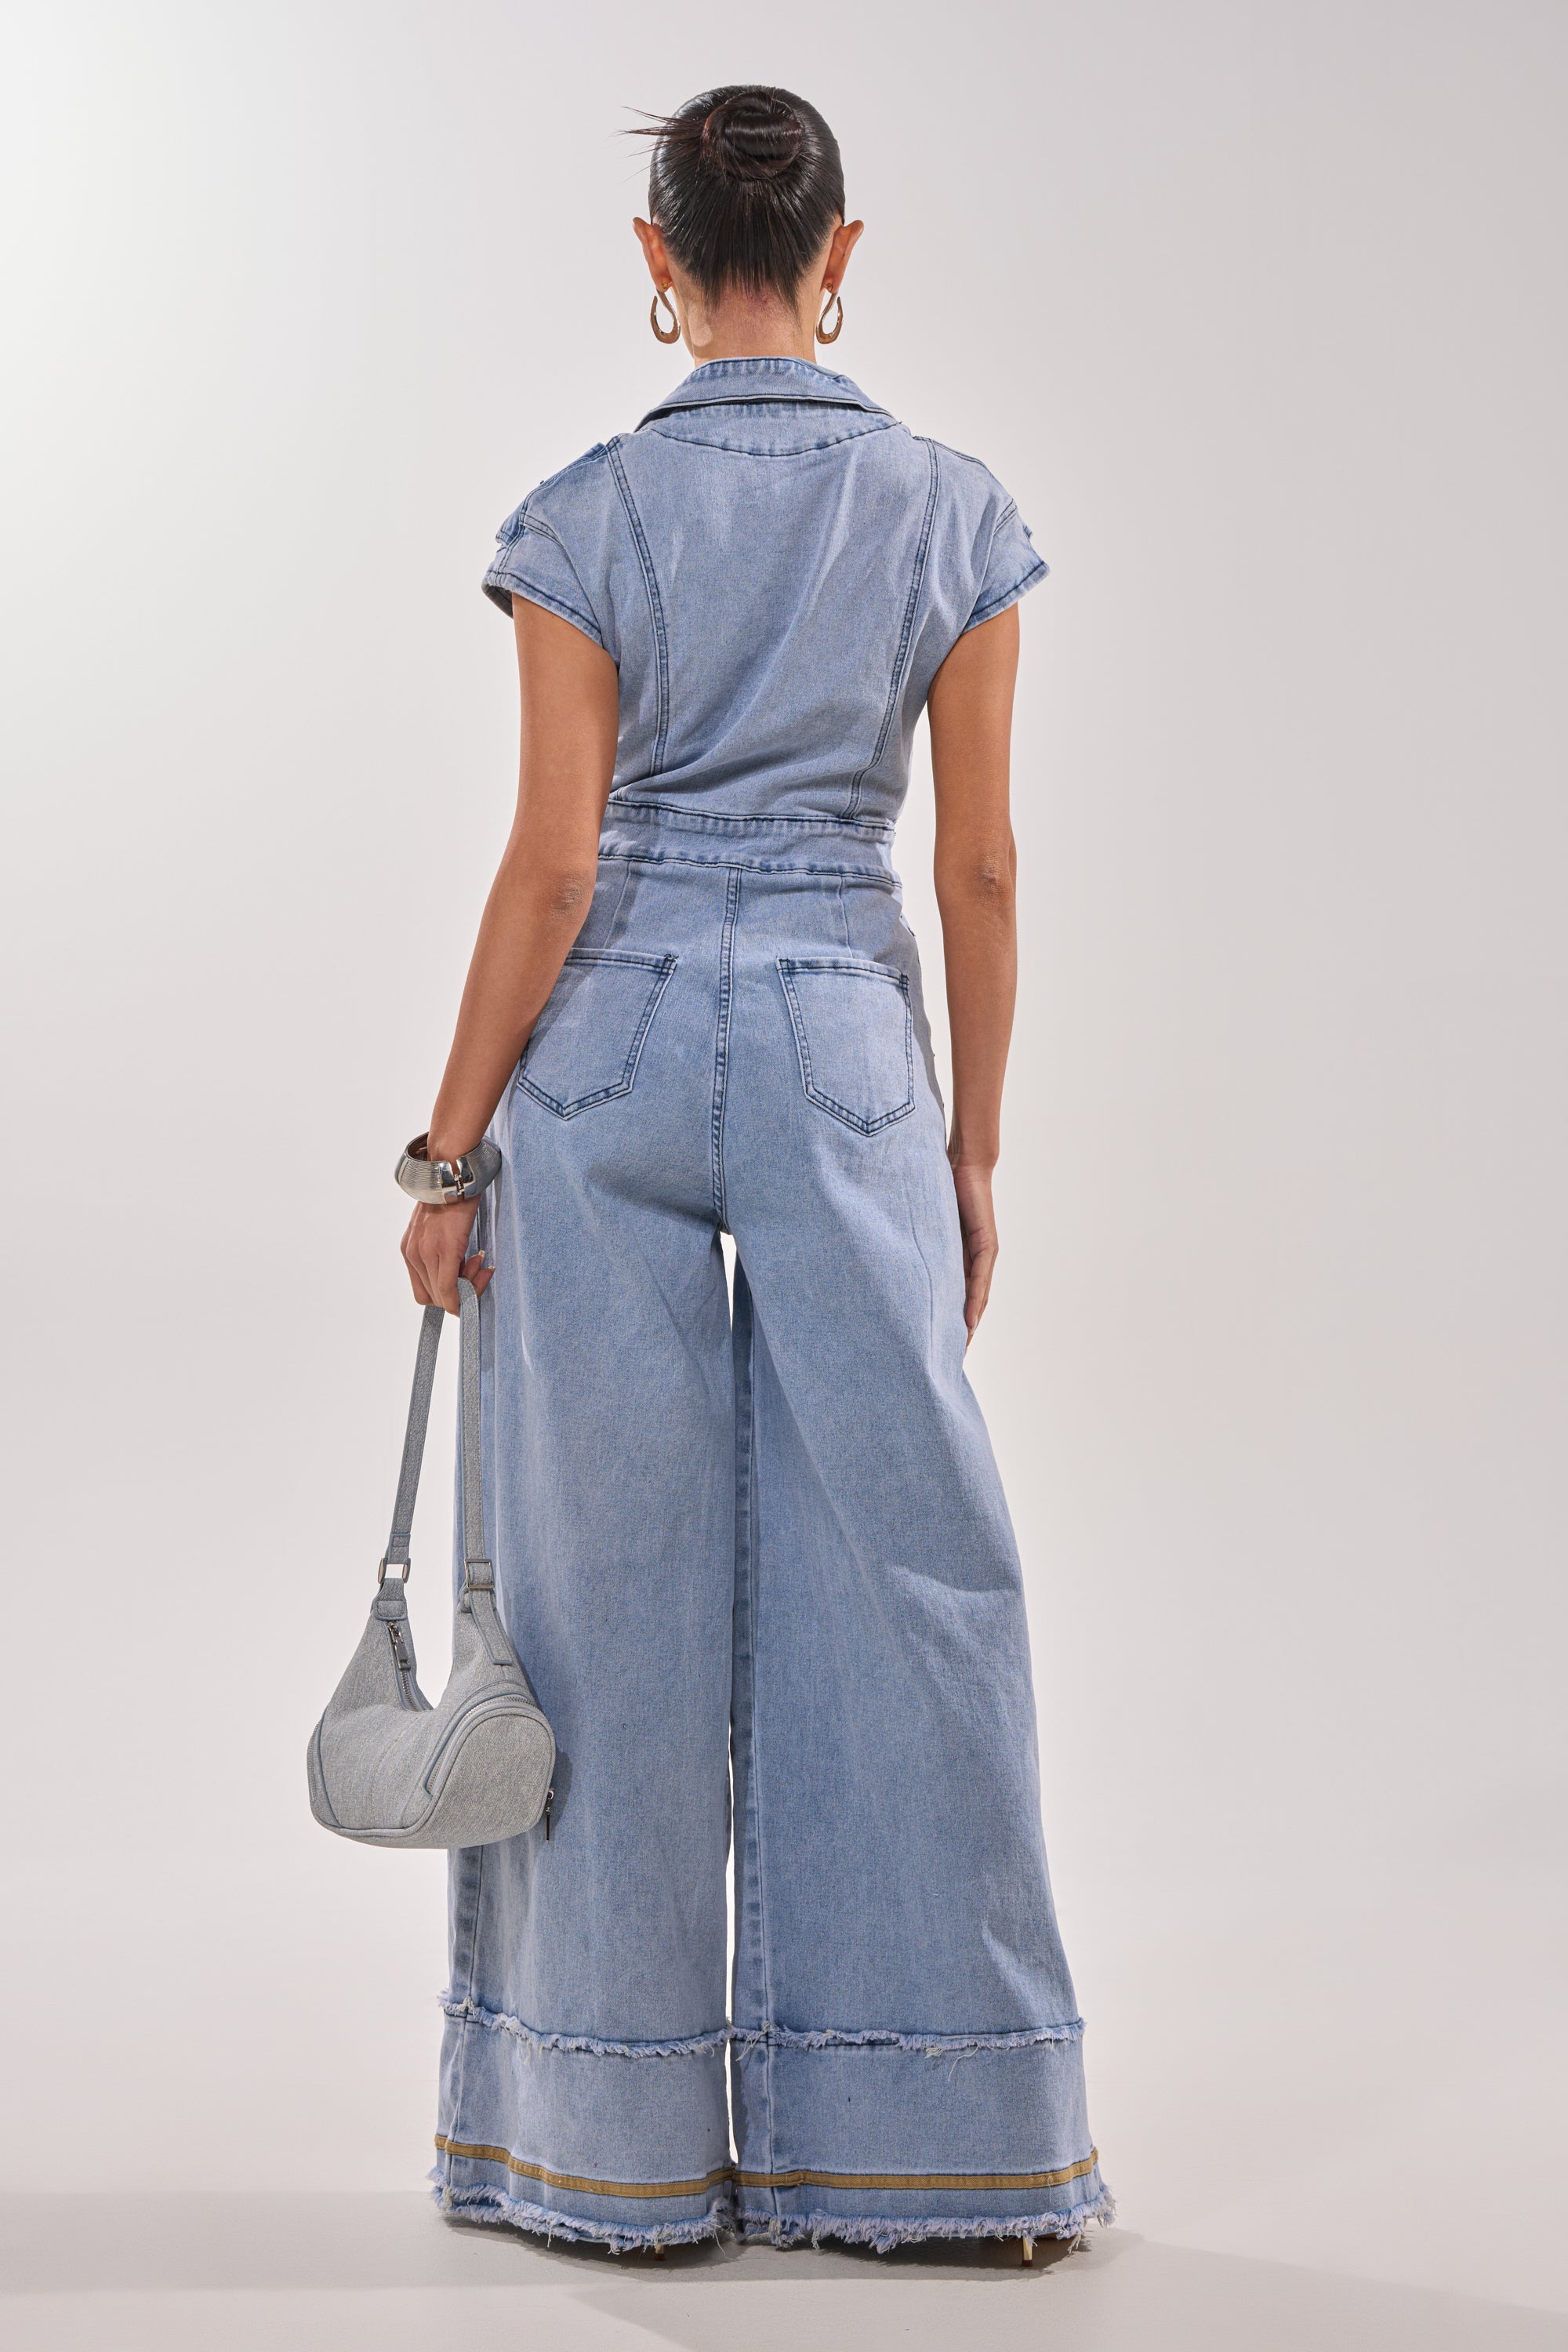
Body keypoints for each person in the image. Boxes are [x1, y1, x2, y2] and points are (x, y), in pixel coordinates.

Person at [397, 82, 1109, 2257]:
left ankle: (598, 2148)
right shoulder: (951, 515)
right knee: (916, 1574)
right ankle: (942, 2143)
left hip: (603, 1054)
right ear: (840, 250)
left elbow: (546, 871)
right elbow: (976, 865)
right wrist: (972, 1147)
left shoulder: (583, 518)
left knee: (603, 1590)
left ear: (654, 257)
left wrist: (444, 1154)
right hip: (837, 1046)